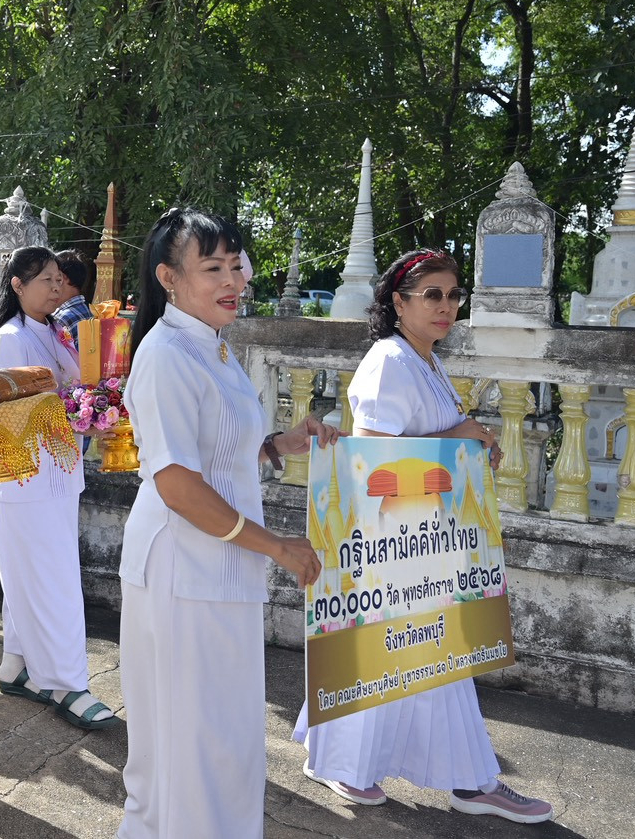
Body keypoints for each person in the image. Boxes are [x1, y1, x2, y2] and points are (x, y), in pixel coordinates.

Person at [294, 249, 553, 824]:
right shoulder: (389, 359)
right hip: (393, 539)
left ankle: (459, 777)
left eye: (453, 295)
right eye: (431, 294)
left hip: (427, 539)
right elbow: (376, 456)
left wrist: (467, 438)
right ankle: (460, 778)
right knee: (394, 660)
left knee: (427, 662)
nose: (445, 306)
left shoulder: (424, 360)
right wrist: (459, 433)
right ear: (398, 301)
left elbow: (430, 434)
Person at [117, 208, 334, 839]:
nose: (231, 278)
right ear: (169, 278)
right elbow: (178, 484)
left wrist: (278, 444)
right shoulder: (165, 355)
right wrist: (278, 549)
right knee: (194, 740)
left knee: (222, 735)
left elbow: (218, 448)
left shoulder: (213, 346)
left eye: (235, 264)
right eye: (212, 267)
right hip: (183, 568)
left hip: (221, 564)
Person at [0, 246, 113, 729]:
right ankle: (66, 682)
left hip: (57, 473)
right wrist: (71, 409)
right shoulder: (10, 340)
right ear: (17, 285)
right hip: (23, 478)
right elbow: (0, 414)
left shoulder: (56, 335)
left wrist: (96, 408)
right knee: (50, 581)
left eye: (59, 279)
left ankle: (15, 665)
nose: (56, 287)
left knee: (37, 575)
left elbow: (77, 392)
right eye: (45, 280)